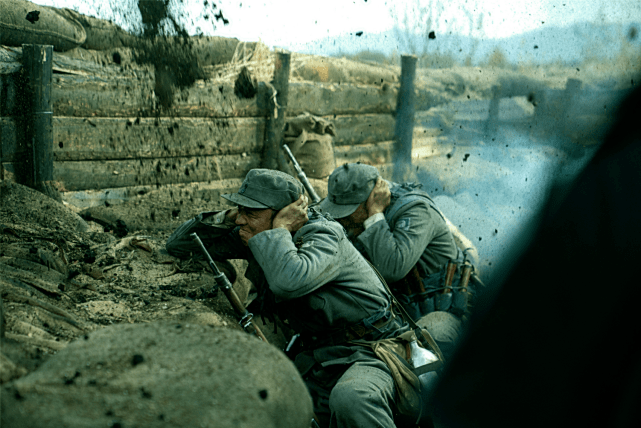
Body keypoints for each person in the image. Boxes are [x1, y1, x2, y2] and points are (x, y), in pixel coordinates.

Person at [165, 168, 437, 428]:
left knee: (352, 399)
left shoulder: (322, 234)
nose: (240, 221)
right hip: (321, 356)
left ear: (285, 214)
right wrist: (228, 215)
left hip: (371, 351)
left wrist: (280, 230)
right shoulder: (258, 232)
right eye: (240, 210)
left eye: (250, 212)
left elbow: (288, 282)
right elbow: (179, 243)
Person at [319, 163, 481, 360]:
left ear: (371, 200)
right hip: (401, 315)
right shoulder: (355, 219)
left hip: (446, 311)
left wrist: (375, 216)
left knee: (423, 344)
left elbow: (392, 268)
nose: (341, 219)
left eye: (347, 211)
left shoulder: (415, 210)